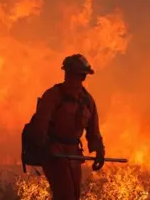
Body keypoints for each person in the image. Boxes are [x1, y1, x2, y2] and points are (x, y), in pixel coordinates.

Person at [29, 54, 105, 200]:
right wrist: (46, 149)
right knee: (65, 195)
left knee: (74, 195)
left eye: (80, 75)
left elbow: (93, 130)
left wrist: (99, 151)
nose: (75, 78)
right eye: (72, 74)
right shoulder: (52, 96)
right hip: (54, 151)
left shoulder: (87, 100)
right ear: (66, 73)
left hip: (74, 153)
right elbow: (40, 127)